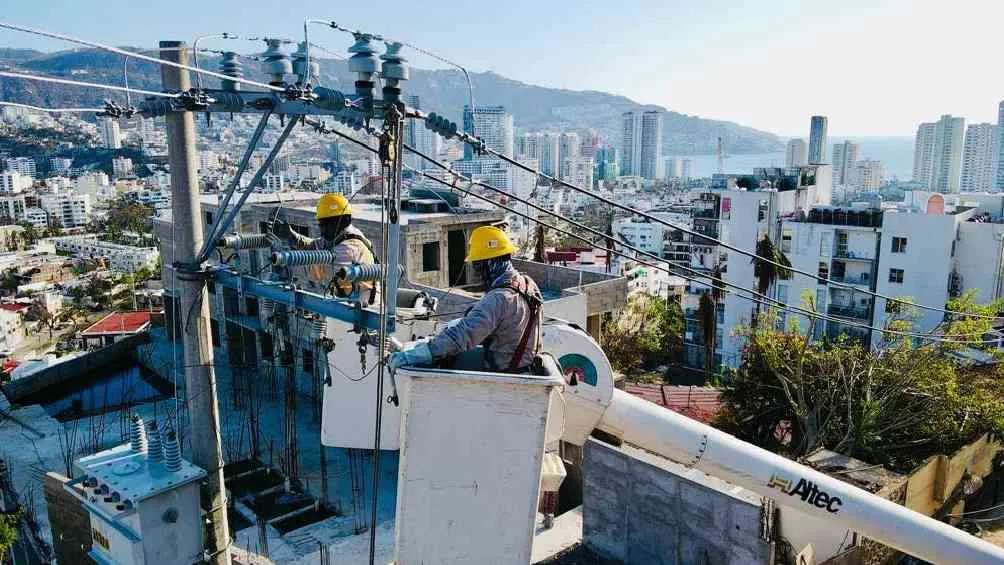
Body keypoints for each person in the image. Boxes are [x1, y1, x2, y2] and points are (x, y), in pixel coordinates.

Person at [389, 225, 543, 373]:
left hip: (507, 375)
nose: (477, 272)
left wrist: (416, 354)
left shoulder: (499, 298)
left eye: (477, 265)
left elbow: (461, 337)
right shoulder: (528, 284)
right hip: (526, 366)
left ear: (489, 262)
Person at [272, 193, 378, 304]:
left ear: (343, 220)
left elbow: (316, 272)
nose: (322, 230)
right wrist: (292, 236)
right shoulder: (339, 235)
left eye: (325, 225)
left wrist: (284, 263)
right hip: (348, 302)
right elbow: (315, 246)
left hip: (366, 310)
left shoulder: (349, 248)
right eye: (320, 225)